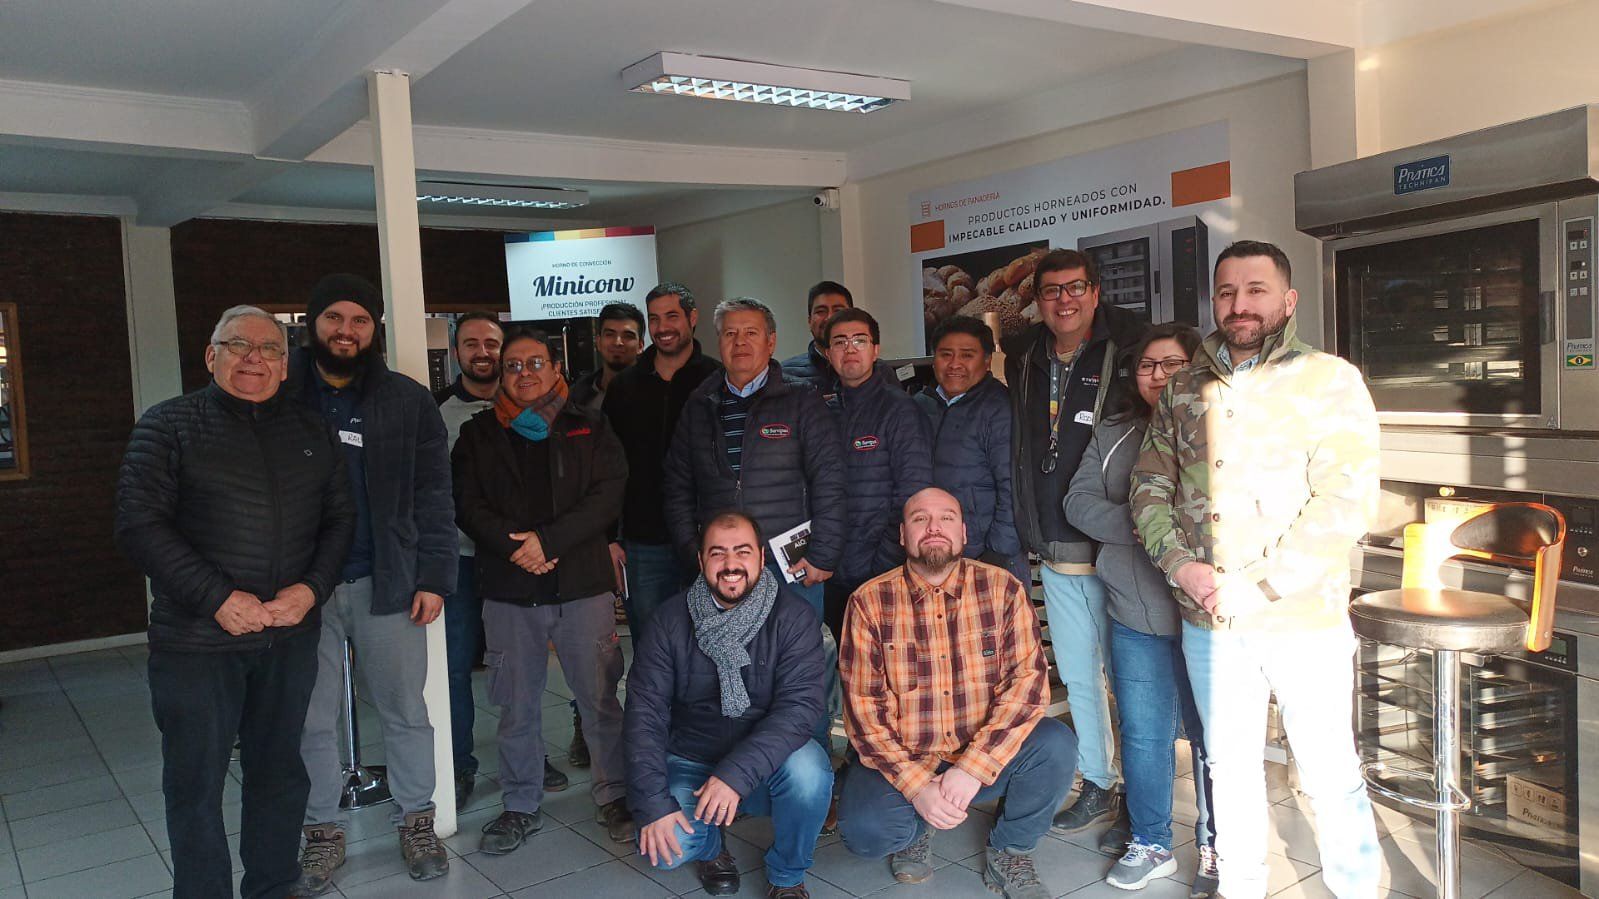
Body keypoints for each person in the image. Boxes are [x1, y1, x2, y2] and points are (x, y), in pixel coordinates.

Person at [1131, 240, 1381, 899]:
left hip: (1301, 617)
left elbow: (1344, 499)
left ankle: (1356, 888)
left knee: (1328, 769)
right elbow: (1147, 484)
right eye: (1226, 292)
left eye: (1255, 289)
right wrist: (1179, 564)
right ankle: (1239, 884)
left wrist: (1262, 583)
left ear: (1287, 299)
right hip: (1208, 617)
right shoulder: (1185, 384)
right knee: (1228, 766)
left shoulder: (1328, 380)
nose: (1238, 304)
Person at [115, 306, 354, 899]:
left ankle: (274, 886)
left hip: (288, 636)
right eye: (238, 345)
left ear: (284, 361)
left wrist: (311, 590)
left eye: (269, 349)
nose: (254, 358)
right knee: (194, 784)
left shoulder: (310, 429)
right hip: (197, 643)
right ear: (211, 355)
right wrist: (217, 598)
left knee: (278, 774)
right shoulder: (167, 426)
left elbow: (340, 521)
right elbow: (139, 525)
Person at [289, 273, 456, 893]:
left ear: (374, 328)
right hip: (302, 589)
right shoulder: (281, 394)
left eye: (359, 320)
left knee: (405, 712)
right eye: (334, 318)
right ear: (313, 324)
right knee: (311, 718)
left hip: (389, 582)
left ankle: (417, 821)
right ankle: (323, 832)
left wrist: (435, 576)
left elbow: (435, 495)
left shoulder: (408, 401)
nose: (346, 331)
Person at [837, 488, 1077, 899]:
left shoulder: (1002, 589)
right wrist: (918, 788)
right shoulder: (869, 602)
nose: (934, 527)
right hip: (908, 759)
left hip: (978, 757)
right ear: (902, 535)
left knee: (1056, 745)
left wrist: (971, 769)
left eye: (946, 518)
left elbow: (1027, 686)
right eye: (920, 519)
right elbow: (864, 715)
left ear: (964, 532)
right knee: (867, 833)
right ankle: (918, 825)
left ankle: (1011, 850)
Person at [452, 328, 636, 854]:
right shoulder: (478, 435)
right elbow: (467, 505)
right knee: (515, 705)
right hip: (510, 589)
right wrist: (520, 549)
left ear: (556, 368)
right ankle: (520, 803)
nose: (524, 373)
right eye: (513, 365)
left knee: (599, 700)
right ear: (502, 374)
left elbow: (608, 495)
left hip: (582, 585)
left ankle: (614, 796)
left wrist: (548, 541)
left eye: (535, 362)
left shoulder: (590, 426)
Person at [1066, 322, 1218, 894]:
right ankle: (1151, 841)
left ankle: (1216, 843)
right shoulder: (1113, 433)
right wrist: (1146, 527)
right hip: (1136, 614)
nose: (1159, 375)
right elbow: (1077, 502)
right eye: (1149, 365)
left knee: (1211, 736)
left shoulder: (1217, 430)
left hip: (1205, 616)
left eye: (1172, 364)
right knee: (1145, 735)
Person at [1001, 248, 1145, 835]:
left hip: (1119, 549)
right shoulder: (1025, 354)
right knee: (1081, 677)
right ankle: (1098, 781)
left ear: (1095, 291)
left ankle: (1142, 793)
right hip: (1056, 548)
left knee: (1132, 680)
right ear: (1038, 300)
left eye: (1075, 288)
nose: (1064, 300)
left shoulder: (1133, 343)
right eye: (1052, 291)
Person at [626, 510, 832, 899]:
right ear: (701, 560)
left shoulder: (793, 617)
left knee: (810, 774)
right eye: (718, 553)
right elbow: (644, 714)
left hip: (767, 760)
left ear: (760, 557)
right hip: (691, 755)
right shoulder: (669, 620)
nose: (731, 564)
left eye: (742, 552)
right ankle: (710, 845)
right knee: (665, 852)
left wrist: (734, 775)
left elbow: (800, 709)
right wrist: (653, 803)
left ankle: (787, 876)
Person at [433, 311, 567, 807]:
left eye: (492, 344)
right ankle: (461, 764)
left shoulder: (539, 408)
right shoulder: (438, 411)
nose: (482, 353)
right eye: (471, 344)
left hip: (528, 562)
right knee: (454, 668)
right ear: (456, 352)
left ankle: (531, 757)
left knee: (522, 669)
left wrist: (536, 546)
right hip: (464, 560)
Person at [663, 297, 846, 619]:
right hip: (724, 568)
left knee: (796, 663)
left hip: (791, 567)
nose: (740, 342)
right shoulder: (699, 404)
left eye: (751, 333)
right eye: (730, 334)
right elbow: (677, 485)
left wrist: (824, 554)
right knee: (727, 661)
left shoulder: (802, 400)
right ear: (719, 342)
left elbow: (830, 481)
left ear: (771, 341)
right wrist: (693, 551)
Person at [602, 282, 724, 639]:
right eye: (654, 319)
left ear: (693, 318)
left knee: (710, 642)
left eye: (672, 316)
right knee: (652, 644)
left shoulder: (717, 380)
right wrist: (610, 537)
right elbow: (608, 467)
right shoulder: (624, 386)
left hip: (706, 538)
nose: (662, 327)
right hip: (643, 542)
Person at [820, 307, 933, 642]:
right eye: (840, 342)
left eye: (859, 340)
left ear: (876, 350)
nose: (850, 348)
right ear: (828, 353)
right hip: (830, 571)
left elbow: (913, 495)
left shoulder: (899, 410)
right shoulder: (819, 410)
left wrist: (881, 563)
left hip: (881, 571)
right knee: (844, 670)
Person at [914, 315, 1028, 585]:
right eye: (945, 354)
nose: (955, 364)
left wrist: (996, 554)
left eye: (967, 355)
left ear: (987, 361)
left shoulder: (1000, 408)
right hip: (932, 553)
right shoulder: (919, 406)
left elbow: (1013, 486)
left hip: (989, 555)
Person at [570, 301, 645, 412]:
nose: (617, 342)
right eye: (610, 334)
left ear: (640, 346)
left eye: (628, 336)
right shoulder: (577, 395)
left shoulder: (656, 393)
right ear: (599, 342)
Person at [780, 281, 853, 390]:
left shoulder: (877, 372)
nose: (829, 318)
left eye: (838, 311)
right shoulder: (784, 375)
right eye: (821, 311)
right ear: (809, 321)